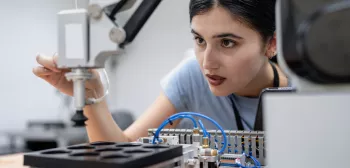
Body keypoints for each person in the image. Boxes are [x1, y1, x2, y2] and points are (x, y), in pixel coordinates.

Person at [32, 0, 289, 142]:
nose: (207, 63)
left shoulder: (302, 96)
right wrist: (92, 96)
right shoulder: (193, 76)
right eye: (200, 40)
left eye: (227, 42)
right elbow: (123, 151)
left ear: (272, 44)